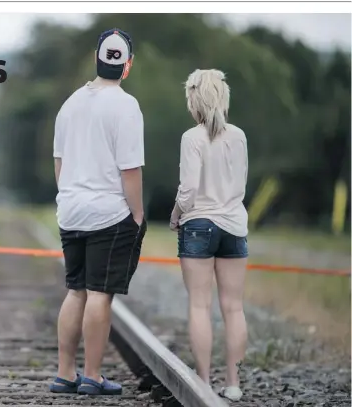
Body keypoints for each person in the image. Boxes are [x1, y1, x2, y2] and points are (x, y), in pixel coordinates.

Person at [49, 28, 147, 396]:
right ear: (128, 65)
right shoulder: (125, 105)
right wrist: (136, 216)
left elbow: (59, 162)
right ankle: (92, 374)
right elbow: (130, 170)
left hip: (71, 210)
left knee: (75, 291)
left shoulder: (70, 103)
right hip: (107, 213)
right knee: (99, 293)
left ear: (96, 57)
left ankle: (65, 373)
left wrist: (70, 197)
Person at [169, 69, 249, 402]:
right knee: (233, 308)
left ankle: (202, 381)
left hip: (199, 225)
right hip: (233, 225)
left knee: (200, 306)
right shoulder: (239, 136)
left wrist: (176, 215)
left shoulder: (192, 138)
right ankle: (233, 383)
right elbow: (241, 183)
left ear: (194, 100)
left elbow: (188, 189)